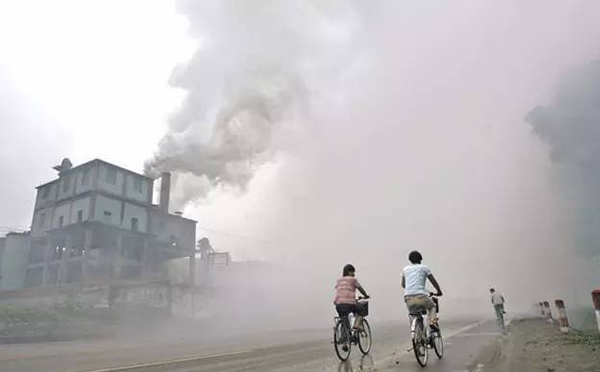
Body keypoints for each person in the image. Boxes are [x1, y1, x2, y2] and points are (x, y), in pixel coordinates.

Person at [401, 250, 443, 329]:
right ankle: (433, 322)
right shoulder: (424, 268)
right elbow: (433, 281)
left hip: (408, 298)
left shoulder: (405, 269)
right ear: (420, 259)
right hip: (421, 296)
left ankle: (418, 334)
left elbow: (403, 285)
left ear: (410, 260)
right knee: (432, 307)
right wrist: (439, 291)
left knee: (414, 314)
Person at [334, 264, 370, 332]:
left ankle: (344, 336)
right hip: (349, 304)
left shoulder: (339, 280)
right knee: (362, 309)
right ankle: (357, 325)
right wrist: (366, 295)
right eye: (353, 272)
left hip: (338, 305)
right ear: (349, 272)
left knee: (344, 319)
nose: (354, 274)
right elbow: (360, 289)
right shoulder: (353, 280)